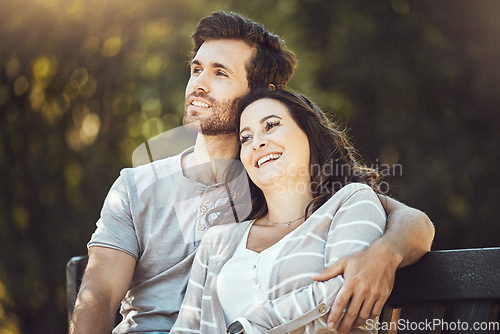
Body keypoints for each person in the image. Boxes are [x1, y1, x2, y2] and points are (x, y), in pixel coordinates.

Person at [70, 11, 434, 334]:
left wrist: (386, 253)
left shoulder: (278, 181)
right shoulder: (135, 186)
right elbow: (98, 295)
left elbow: (411, 221)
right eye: (197, 69)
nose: (198, 83)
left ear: (262, 92)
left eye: (220, 73)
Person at [171, 88, 388, 333]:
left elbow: (346, 293)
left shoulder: (351, 203)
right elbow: (186, 327)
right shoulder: (218, 241)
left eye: (271, 125)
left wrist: (248, 328)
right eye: (246, 138)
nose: (258, 142)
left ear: (309, 133)